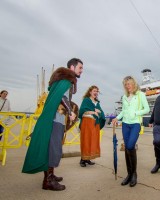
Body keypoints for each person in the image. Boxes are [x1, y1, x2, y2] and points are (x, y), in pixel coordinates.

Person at [22, 58, 83, 191]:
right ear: (72, 67)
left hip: (54, 119)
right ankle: (48, 181)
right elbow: (62, 97)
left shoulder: (60, 80)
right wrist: (70, 112)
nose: (81, 71)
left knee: (52, 148)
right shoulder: (66, 80)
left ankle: (51, 175)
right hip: (55, 120)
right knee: (53, 149)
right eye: (80, 68)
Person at [112, 76, 150, 187]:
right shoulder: (125, 97)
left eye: (129, 83)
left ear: (133, 84)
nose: (127, 86)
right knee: (127, 148)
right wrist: (116, 118)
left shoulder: (140, 95)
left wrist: (136, 113)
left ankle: (134, 174)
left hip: (135, 124)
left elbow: (147, 109)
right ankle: (129, 174)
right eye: (125, 84)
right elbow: (123, 111)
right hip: (125, 124)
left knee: (130, 145)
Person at [78, 85, 106, 167]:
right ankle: (82, 160)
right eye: (94, 91)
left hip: (95, 124)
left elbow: (101, 112)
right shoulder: (86, 100)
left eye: (97, 91)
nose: (96, 92)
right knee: (86, 140)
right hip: (87, 122)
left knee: (92, 141)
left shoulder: (97, 103)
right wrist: (93, 111)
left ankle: (88, 158)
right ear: (90, 92)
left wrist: (99, 112)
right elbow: (82, 110)